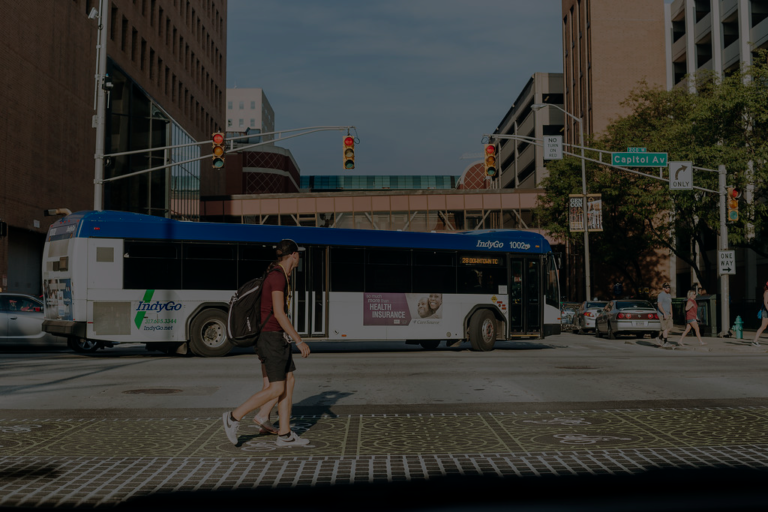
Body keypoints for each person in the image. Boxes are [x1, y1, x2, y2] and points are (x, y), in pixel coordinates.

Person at [222, 239, 311, 447]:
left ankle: (285, 434)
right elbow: (279, 313)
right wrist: (299, 340)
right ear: (293, 255)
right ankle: (233, 417)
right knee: (276, 388)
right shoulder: (277, 277)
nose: (299, 258)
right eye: (299, 255)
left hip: (276, 337)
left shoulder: (279, 274)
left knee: (289, 382)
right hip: (271, 338)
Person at [656, 283, 673, 347]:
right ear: (663, 288)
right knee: (665, 328)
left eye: (669, 287)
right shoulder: (661, 295)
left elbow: (670, 304)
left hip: (668, 313)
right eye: (666, 287)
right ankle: (665, 342)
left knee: (670, 327)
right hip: (662, 314)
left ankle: (660, 337)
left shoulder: (669, 295)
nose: (668, 288)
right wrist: (664, 313)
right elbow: (659, 305)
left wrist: (671, 313)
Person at [752, 281, 768, 347]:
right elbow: (766, 303)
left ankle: (754, 341)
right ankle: (754, 341)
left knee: (763, 326)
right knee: (763, 326)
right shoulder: (767, 292)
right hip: (766, 311)